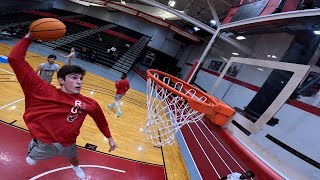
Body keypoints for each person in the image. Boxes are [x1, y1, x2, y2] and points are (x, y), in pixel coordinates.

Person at [8, 33, 117, 179]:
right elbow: (15, 59)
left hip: (68, 143)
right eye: (74, 77)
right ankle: (33, 151)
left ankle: (75, 167)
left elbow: (100, 120)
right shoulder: (42, 90)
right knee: (33, 157)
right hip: (43, 142)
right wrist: (29, 36)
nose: (79, 82)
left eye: (81, 78)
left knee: (73, 157)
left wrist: (109, 137)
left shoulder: (89, 103)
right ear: (61, 80)